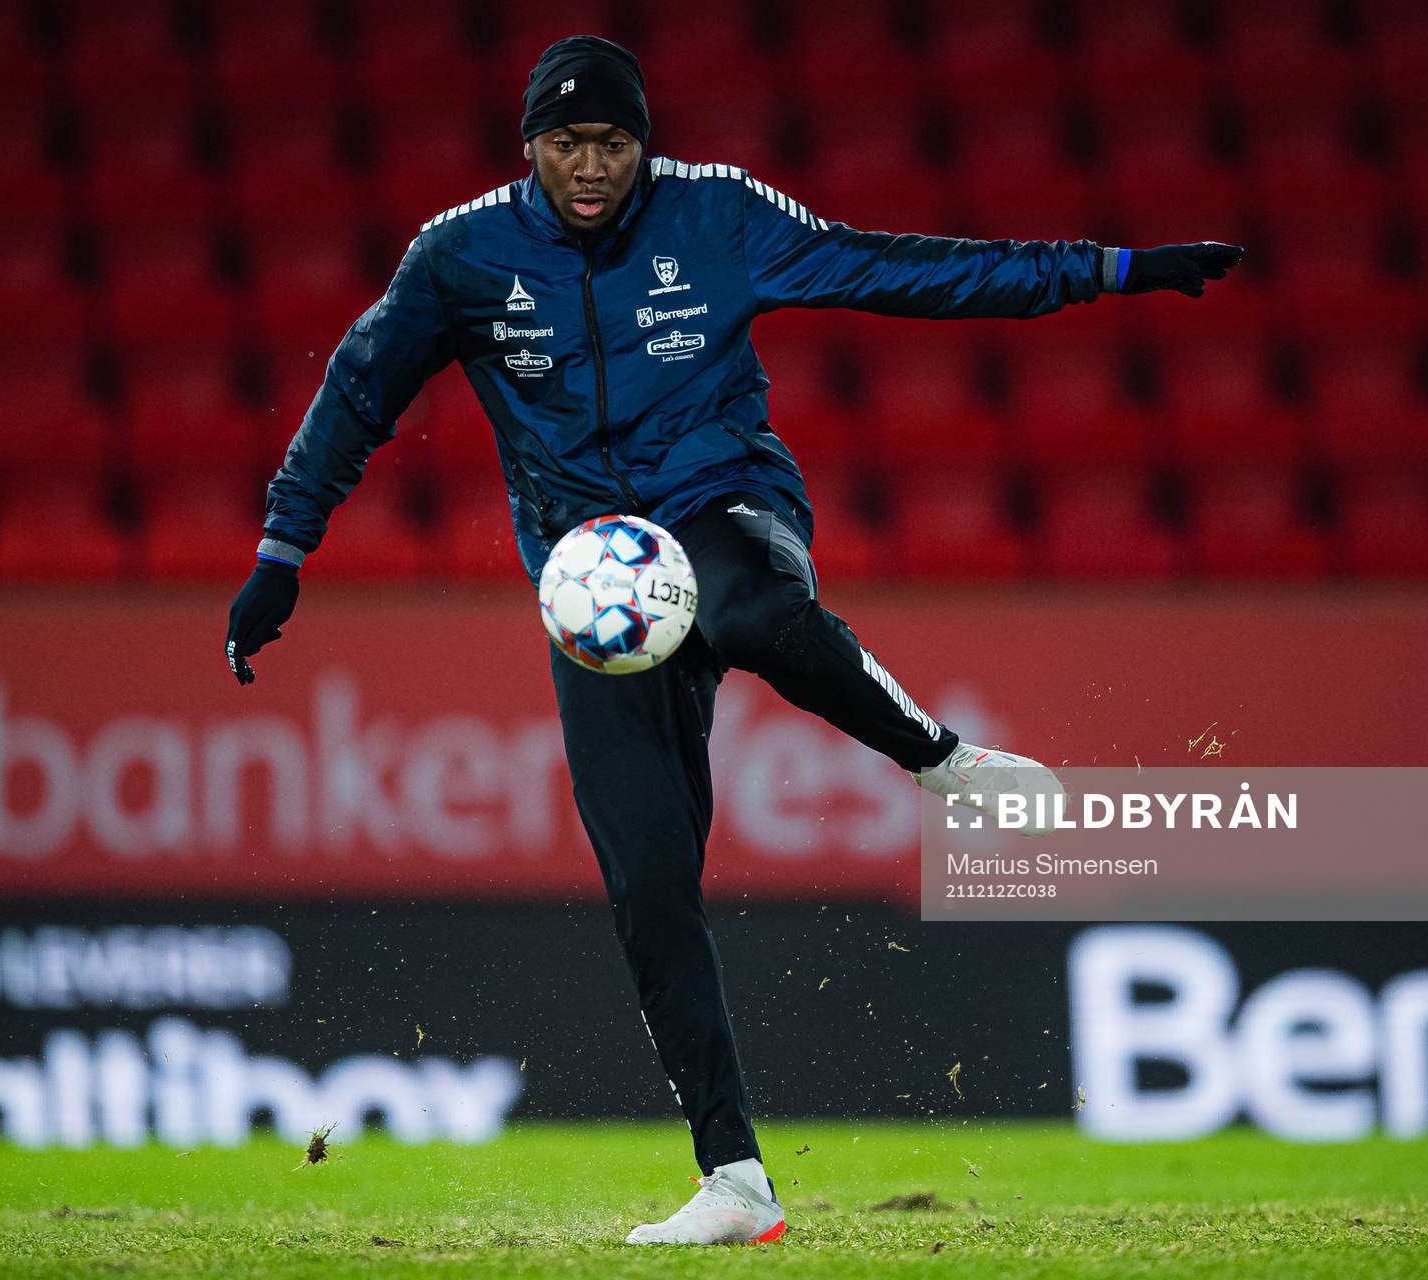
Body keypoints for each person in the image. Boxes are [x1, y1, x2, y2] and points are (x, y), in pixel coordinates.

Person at [225, 34, 1243, 1245]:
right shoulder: (460, 256)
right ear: (530, 146)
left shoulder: (717, 214)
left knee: (752, 608)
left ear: (643, 143)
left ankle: (945, 763)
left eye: (612, 143)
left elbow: (893, 270)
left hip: (726, 502)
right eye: (566, 144)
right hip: (595, 590)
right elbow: (356, 392)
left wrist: (1108, 270)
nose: (590, 167)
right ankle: (737, 1178)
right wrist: (282, 550)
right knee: (649, 883)